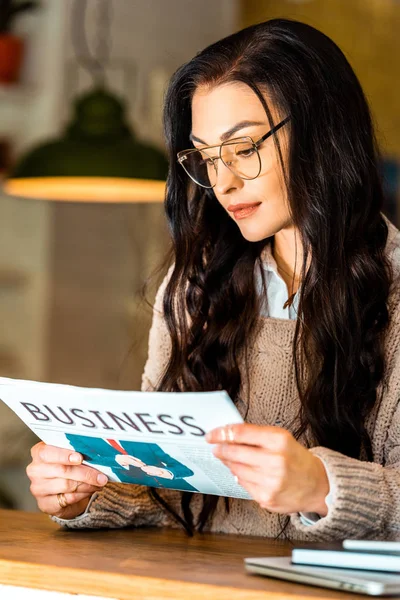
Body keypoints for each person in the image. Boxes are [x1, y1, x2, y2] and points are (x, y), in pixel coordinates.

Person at [27, 18, 400, 540]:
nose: (222, 182)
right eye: (204, 156)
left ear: (324, 132)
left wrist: (324, 488)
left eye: (244, 149)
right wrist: (85, 490)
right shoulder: (193, 286)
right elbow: (168, 489)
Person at [63, 434, 198, 491]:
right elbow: (88, 456)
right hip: (130, 489)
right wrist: (116, 460)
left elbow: (187, 470)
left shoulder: (140, 437)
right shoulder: (75, 434)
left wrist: (165, 472)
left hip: (180, 489)